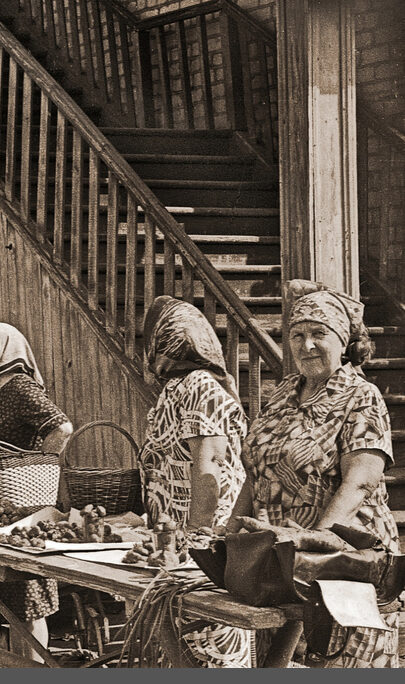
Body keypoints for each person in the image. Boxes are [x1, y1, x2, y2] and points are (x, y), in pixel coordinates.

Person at [230, 280, 399, 667]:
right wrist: (231, 527)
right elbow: (257, 469)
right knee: (283, 661)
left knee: (340, 661)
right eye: (297, 335)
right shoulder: (284, 393)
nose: (306, 345)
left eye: (319, 334)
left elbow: (361, 480)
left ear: (343, 341)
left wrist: (317, 539)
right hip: (280, 564)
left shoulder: (360, 396)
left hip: (343, 563)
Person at [139, 296, 251, 667]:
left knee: (212, 652)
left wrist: (197, 548)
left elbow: (209, 472)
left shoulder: (199, 386)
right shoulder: (178, 389)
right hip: (177, 548)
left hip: (200, 551)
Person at [0, 322, 72, 662]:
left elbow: (61, 427)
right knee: (13, 604)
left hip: (27, 510)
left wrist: (38, 466)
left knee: (29, 604)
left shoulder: (20, 388)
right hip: (3, 508)